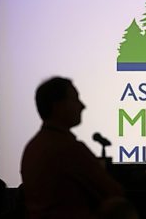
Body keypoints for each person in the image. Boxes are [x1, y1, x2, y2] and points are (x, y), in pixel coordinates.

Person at [21, 77, 124, 219]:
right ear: (58, 105)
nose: (82, 106)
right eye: (75, 99)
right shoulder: (67, 148)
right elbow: (112, 191)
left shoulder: (32, 147)